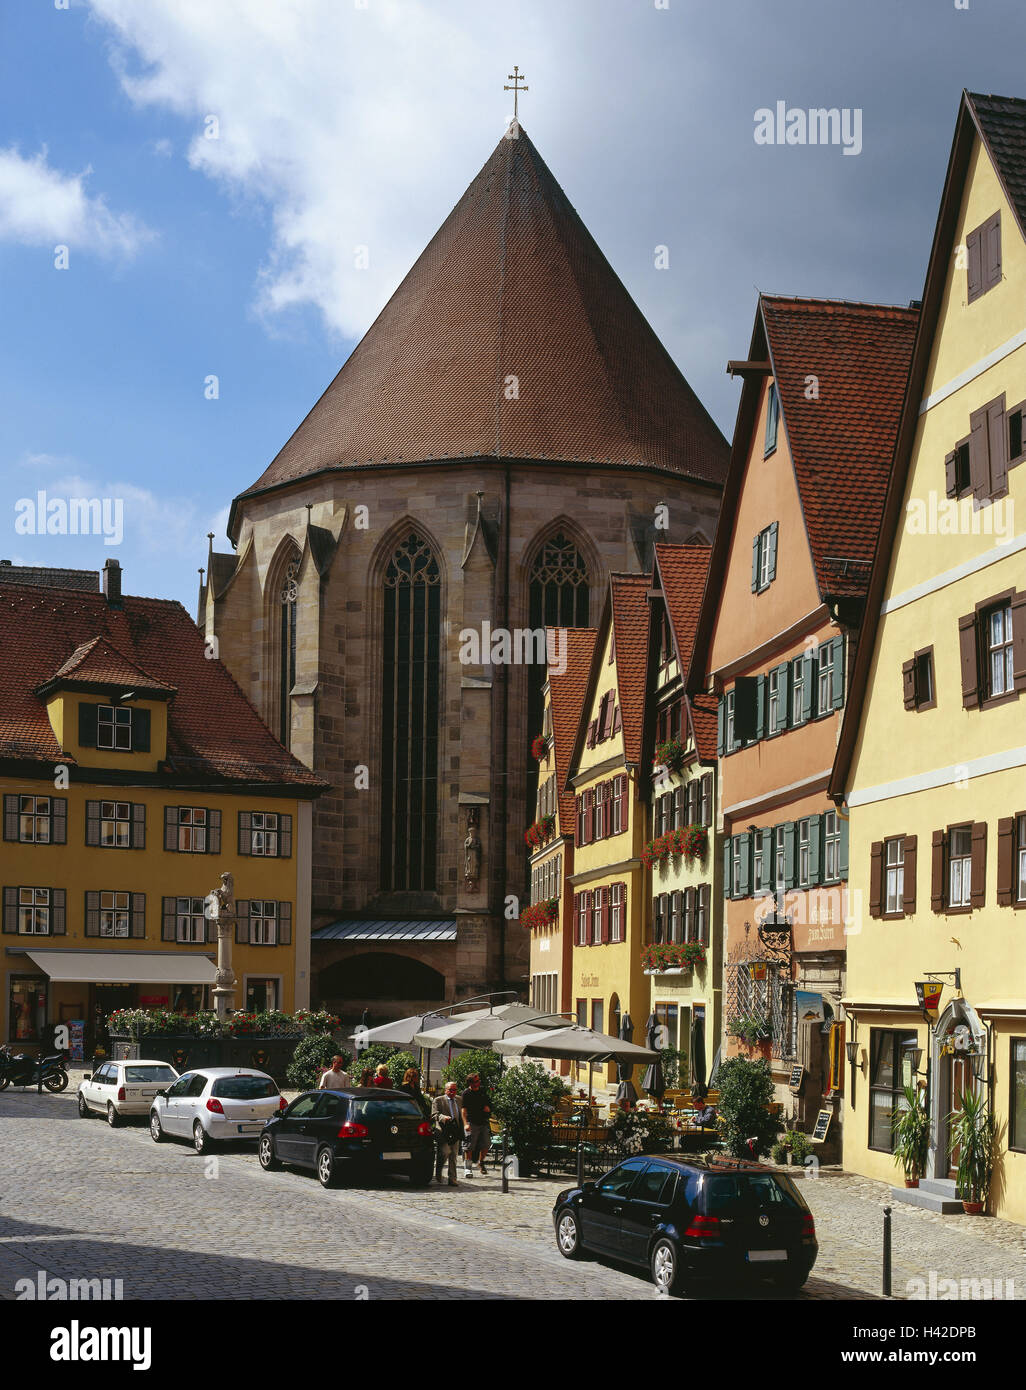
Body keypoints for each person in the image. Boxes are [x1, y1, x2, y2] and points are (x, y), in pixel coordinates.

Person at [460, 1072, 492, 1177]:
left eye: (479, 1080)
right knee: (469, 1146)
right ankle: (468, 1169)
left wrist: (488, 1108)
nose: (479, 1082)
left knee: (486, 1144)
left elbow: (488, 1103)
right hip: (471, 1122)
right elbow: (463, 1110)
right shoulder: (466, 1093)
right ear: (471, 1083)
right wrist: (465, 1124)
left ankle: (480, 1162)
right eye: (476, 1081)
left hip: (483, 1121)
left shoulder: (483, 1091)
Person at [431, 1080, 462, 1185]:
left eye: (454, 1090)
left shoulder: (459, 1100)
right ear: (445, 1090)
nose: (453, 1092)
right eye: (450, 1090)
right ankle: (438, 1173)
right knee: (444, 1153)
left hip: (455, 1131)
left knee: (453, 1155)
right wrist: (444, 1118)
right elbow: (434, 1114)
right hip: (443, 1131)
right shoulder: (438, 1100)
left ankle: (452, 1179)